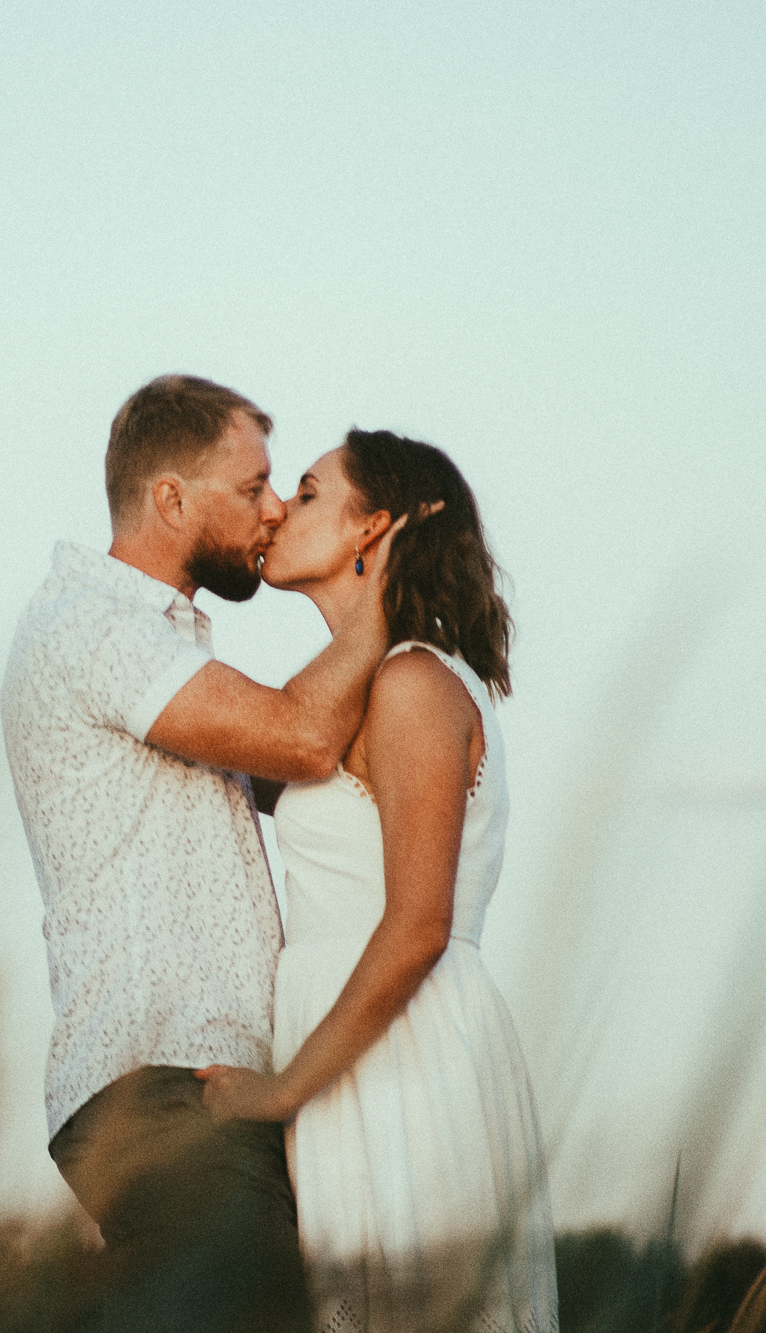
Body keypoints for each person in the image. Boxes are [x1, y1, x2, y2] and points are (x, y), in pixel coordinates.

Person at [0, 376, 409, 1332]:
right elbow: (302, 738)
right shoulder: (92, 629)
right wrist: (395, 586)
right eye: (255, 486)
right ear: (172, 498)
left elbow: (309, 775)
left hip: (197, 1092)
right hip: (164, 1090)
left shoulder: (154, 643)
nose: (272, 511)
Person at [198, 431, 559, 1333]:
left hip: (400, 1059)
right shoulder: (368, 682)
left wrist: (279, 1092)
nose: (280, 506)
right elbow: (271, 741)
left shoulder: (411, 684)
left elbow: (418, 925)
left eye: (312, 492)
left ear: (376, 530)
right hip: (355, 1053)